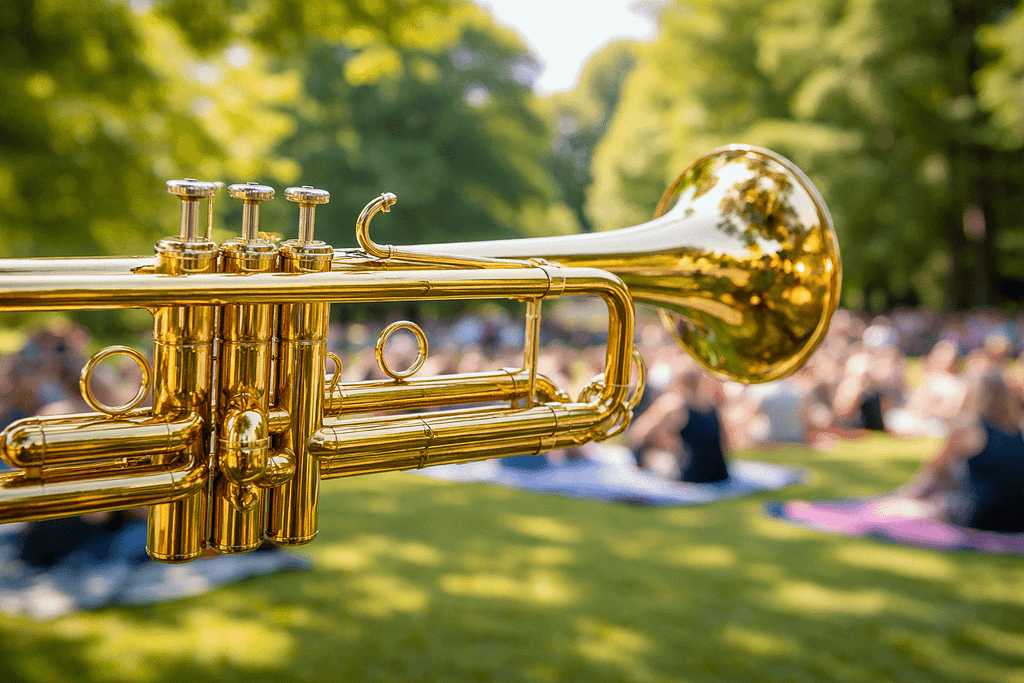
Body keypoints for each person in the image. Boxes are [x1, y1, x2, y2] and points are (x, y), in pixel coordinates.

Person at [901, 371, 1024, 532]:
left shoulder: (968, 427)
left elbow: (938, 472)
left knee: (921, 505)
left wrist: (907, 494)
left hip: (982, 514)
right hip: (1018, 518)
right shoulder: (1017, 431)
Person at [626, 361, 729, 483]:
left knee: (650, 457)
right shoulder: (711, 406)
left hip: (691, 477)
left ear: (678, 379)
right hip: (719, 475)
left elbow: (637, 435)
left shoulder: (674, 403)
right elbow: (724, 444)